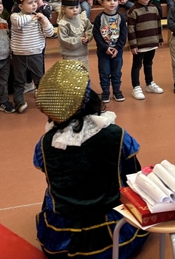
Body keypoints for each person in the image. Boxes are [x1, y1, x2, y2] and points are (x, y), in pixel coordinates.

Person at [33, 59, 148, 259]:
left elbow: (50, 175)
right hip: (112, 235)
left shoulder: (45, 143)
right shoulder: (116, 135)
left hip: (61, 238)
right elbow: (132, 174)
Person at [127, 0, 164, 100]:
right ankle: (136, 87)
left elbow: (158, 24)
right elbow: (131, 29)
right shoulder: (133, 11)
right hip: (140, 45)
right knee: (137, 65)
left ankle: (149, 83)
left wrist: (160, 39)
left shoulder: (154, 8)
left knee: (149, 64)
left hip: (152, 42)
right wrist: (133, 45)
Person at [93, 0, 128, 103]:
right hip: (104, 51)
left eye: (114, 0)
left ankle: (117, 91)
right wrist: (105, 48)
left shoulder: (121, 18)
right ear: (102, 2)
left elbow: (123, 35)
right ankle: (106, 92)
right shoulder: (99, 18)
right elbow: (97, 35)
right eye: (108, 0)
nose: (112, 3)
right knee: (104, 72)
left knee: (116, 72)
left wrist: (118, 48)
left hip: (117, 51)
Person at [57, 0, 93, 70]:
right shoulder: (64, 24)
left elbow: (90, 29)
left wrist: (88, 37)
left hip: (83, 55)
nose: (75, 10)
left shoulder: (82, 19)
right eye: (71, 8)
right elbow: (64, 40)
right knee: (71, 76)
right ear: (63, 9)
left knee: (84, 75)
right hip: (70, 57)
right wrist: (79, 40)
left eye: (77, 7)